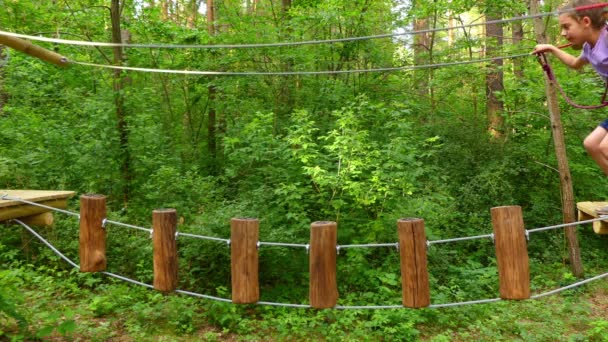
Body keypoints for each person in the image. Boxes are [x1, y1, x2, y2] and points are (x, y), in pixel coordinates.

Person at [532, 0, 608, 214]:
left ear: (585, 22)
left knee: (604, 146)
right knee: (592, 144)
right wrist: (551, 49)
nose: (564, 33)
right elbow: (576, 64)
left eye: (567, 27)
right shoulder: (588, 47)